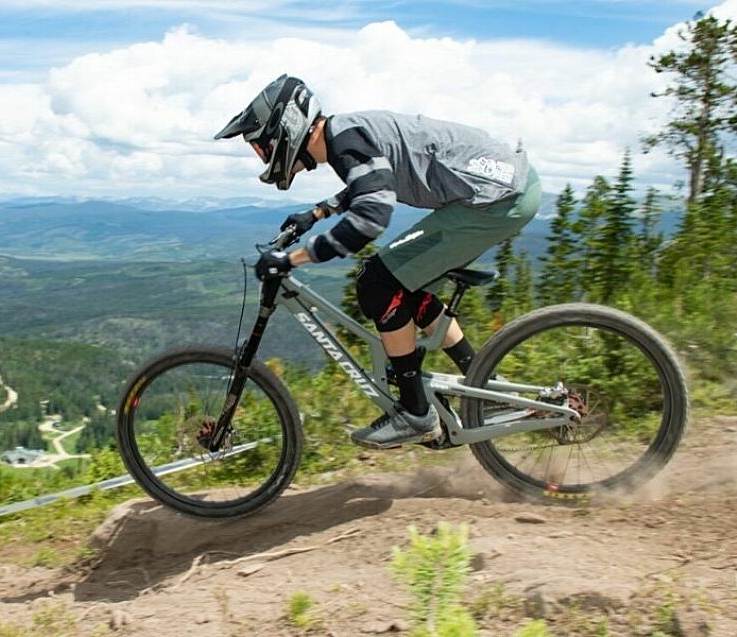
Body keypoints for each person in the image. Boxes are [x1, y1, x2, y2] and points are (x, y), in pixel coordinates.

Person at [215, 74, 540, 449]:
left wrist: (292, 260)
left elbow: (372, 217)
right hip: (504, 191)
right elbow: (369, 179)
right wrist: (317, 214)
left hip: (495, 200)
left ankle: (416, 413)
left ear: (284, 128)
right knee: (408, 287)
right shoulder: (345, 135)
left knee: (377, 282)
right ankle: (487, 390)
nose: (263, 154)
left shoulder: (344, 139)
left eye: (261, 145)